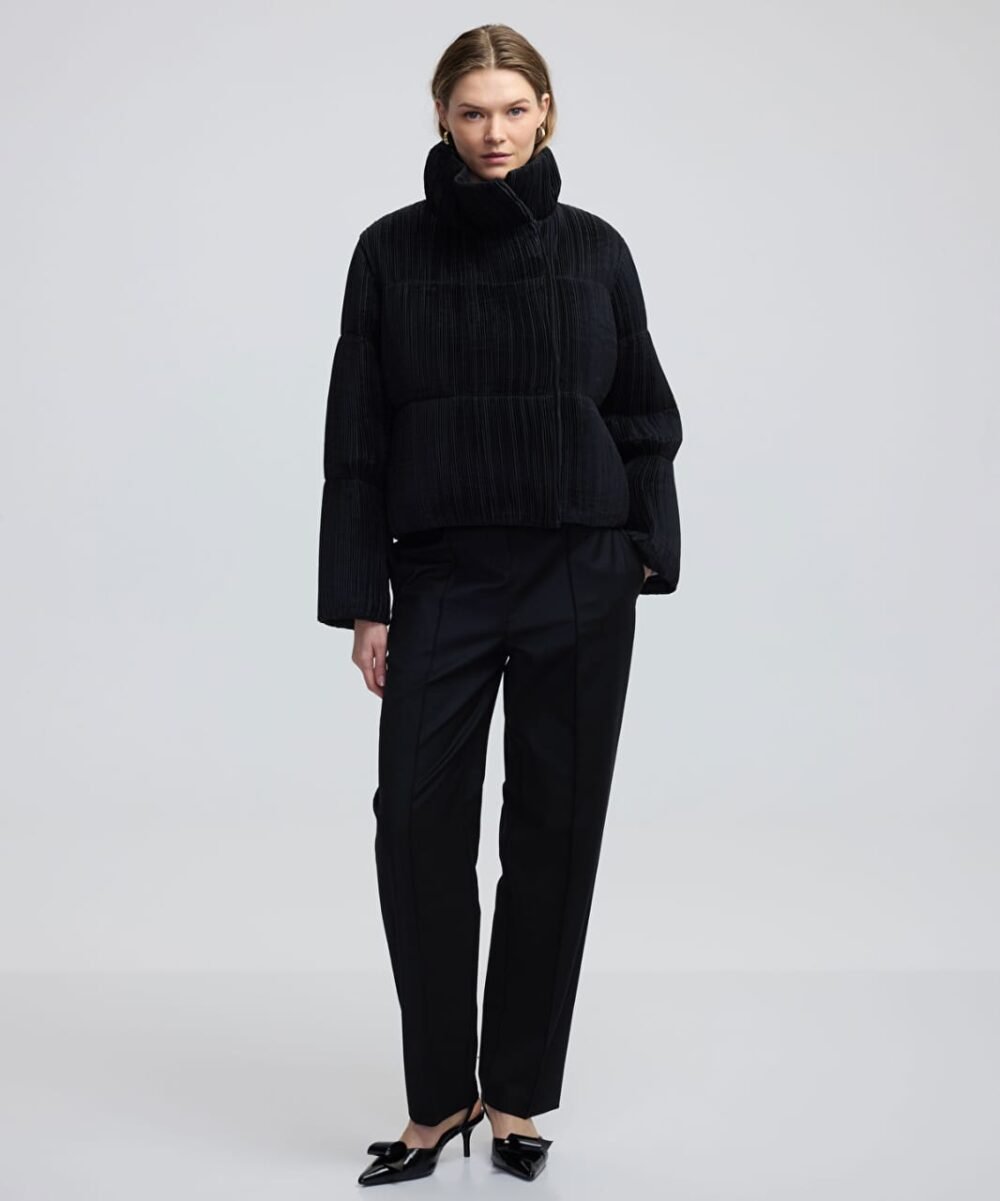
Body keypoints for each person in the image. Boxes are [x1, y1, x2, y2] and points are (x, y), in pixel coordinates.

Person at [317, 23, 682, 1185]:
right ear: (441, 116)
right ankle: (437, 1102)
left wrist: (643, 550)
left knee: (555, 831)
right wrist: (363, 598)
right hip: (442, 573)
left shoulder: (595, 249)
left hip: (579, 569)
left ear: (546, 114)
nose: (493, 132)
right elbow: (357, 436)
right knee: (415, 827)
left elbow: (640, 411)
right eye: (472, 111)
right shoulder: (388, 252)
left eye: (513, 109)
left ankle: (515, 1097)